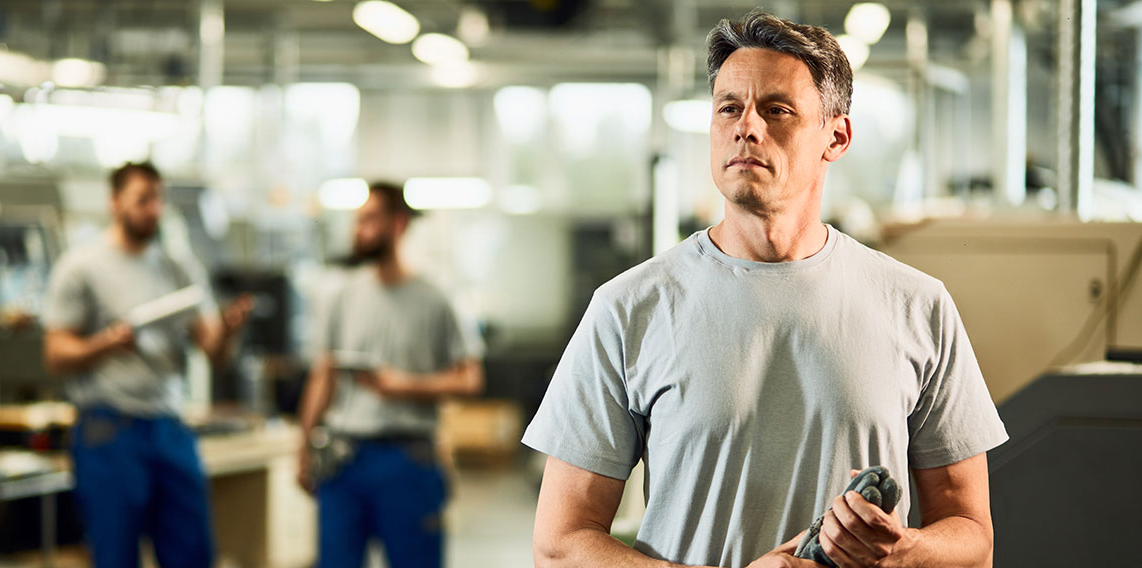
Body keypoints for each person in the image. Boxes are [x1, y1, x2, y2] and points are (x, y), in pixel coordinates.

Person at [523, 10, 1008, 568]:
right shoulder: (629, 309)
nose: (745, 127)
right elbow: (559, 546)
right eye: (729, 107)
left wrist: (903, 552)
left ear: (837, 135)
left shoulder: (918, 306)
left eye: (777, 110)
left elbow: (974, 537)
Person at [43, 161, 251, 567]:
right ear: (115, 202)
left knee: (192, 554)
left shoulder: (178, 268)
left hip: (170, 428)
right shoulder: (82, 267)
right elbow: (55, 354)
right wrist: (106, 343)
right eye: (143, 200)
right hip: (110, 432)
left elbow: (214, 353)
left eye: (158, 200)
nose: (153, 209)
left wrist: (227, 329)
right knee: (117, 554)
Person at [297, 181, 485, 568]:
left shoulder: (435, 298)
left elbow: (470, 378)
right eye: (357, 221)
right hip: (343, 460)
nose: (358, 230)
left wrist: (405, 386)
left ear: (398, 225)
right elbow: (323, 376)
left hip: (407, 460)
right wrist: (303, 446)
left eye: (369, 220)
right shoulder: (342, 295)